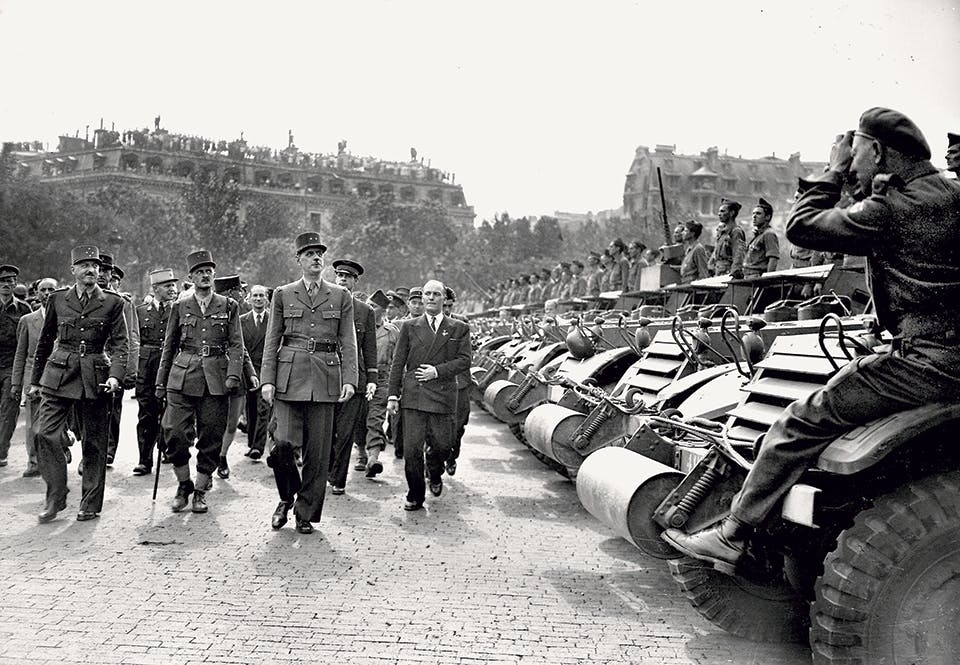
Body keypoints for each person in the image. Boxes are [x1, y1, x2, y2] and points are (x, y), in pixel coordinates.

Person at [663, 107, 960, 573]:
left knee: (802, 419)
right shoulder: (948, 191)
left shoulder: (896, 208)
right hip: (942, 349)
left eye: (858, 150)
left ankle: (733, 532)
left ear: (879, 151)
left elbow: (802, 227)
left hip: (929, 360)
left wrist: (834, 171)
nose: (854, 161)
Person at [260, 232, 358, 534]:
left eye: (320, 254)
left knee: (318, 453)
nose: (316, 258)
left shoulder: (340, 296)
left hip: (326, 378)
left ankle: (305, 512)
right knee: (283, 447)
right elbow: (272, 339)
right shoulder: (283, 294)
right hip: (289, 379)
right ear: (299, 260)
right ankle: (285, 498)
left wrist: (350, 379)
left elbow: (348, 341)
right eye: (310, 254)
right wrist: (267, 380)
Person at [31, 246, 129, 522]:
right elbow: (45, 341)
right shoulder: (58, 299)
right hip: (59, 372)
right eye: (84, 265)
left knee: (95, 444)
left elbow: (122, 343)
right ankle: (56, 497)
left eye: (95, 266)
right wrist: (36, 381)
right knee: (44, 433)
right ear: (72, 270)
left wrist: (116, 375)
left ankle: (89, 503)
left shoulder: (112, 302)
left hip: (95, 375)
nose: (90, 270)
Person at [155, 250, 245, 514]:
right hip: (182, 376)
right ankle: (184, 484)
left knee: (211, 437)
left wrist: (233, 376)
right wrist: (161, 383)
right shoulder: (179, 307)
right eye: (200, 272)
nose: (205, 276)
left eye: (209, 271)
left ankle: (200, 490)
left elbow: (237, 345)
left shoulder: (228, 306)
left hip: (216, 379)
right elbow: (169, 347)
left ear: (214, 275)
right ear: (191, 277)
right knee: (174, 433)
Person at [387, 280, 471, 511]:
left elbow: (465, 360)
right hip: (414, 395)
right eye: (427, 294)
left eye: (436, 294)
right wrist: (393, 395)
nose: (431, 298)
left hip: (443, 395)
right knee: (412, 450)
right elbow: (398, 363)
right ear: (422, 299)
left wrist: (437, 371)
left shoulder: (458, 327)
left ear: (444, 299)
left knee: (443, 445)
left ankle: (435, 471)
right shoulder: (410, 326)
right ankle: (415, 494)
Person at [328, 258, 377, 495]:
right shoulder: (325, 303)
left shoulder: (365, 312)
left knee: (346, 432)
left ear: (355, 281)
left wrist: (372, 379)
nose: (343, 280)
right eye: (339, 275)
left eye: (347, 277)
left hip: (354, 379)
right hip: (325, 377)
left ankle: (338, 478)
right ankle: (326, 469)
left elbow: (369, 348)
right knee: (325, 430)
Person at [132, 268, 178, 476]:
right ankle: (144, 459)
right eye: (168, 286)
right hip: (147, 369)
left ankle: (168, 449)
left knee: (171, 412)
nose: (173, 289)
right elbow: (134, 341)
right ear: (156, 289)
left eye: (173, 285)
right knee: (146, 414)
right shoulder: (140, 311)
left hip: (171, 367)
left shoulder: (179, 310)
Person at [212, 274, 257, 479]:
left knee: (231, 423)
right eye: (240, 290)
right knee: (211, 422)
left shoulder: (239, 311)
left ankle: (221, 456)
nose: (243, 294)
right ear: (230, 292)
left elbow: (241, 347)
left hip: (236, 373)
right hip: (212, 373)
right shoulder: (210, 311)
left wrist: (250, 372)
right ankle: (209, 457)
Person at [11, 277, 57, 477]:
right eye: (43, 290)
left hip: (59, 376)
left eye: (51, 290)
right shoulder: (27, 321)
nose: (46, 294)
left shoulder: (64, 319)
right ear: (37, 294)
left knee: (57, 422)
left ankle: (60, 451)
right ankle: (34, 462)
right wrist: (16, 383)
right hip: (33, 378)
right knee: (33, 424)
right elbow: (20, 354)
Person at [98, 253, 139, 467]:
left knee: (112, 409)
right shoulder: (83, 298)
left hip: (115, 361)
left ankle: (107, 450)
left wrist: (129, 370)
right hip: (90, 361)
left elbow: (131, 336)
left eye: (106, 271)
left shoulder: (122, 302)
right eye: (100, 270)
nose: (102, 275)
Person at [1, 264, 36, 468]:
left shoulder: (24, 309)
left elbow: (28, 340)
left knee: (8, 409)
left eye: (10, 280)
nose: (6, 284)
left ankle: (1, 451)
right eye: (2, 281)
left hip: (11, 366)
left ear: (16, 283)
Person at [364, 289, 399, 478]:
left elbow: (398, 360)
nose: (369, 308)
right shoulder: (357, 327)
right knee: (357, 420)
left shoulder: (392, 331)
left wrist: (396, 388)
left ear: (383, 310)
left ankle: (373, 458)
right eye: (368, 304)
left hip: (382, 379)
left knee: (375, 418)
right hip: (360, 379)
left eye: (374, 306)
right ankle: (363, 453)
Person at [239, 285, 271, 461]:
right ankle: (252, 443)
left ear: (266, 299)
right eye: (255, 296)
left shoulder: (273, 320)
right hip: (248, 370)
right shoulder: (242, 320)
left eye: (261, 296)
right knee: (250, 408)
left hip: (266, 369)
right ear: (249, 299)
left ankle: (258, 446)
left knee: (263, 408)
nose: (258, 299)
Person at [443, 287, 471, 476]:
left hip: (460, 381)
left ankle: (452, 456)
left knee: (458, 425)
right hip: (437, 382)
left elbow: (467, 355)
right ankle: (433, 462)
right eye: (443, 305)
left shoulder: (462, 323)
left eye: (449, 306)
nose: (445, 309)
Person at [743, 197, 780, 278]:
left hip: (757, 277)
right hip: (748, 276)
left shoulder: (769, 234)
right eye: (753, 213)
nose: (754, 216)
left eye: (758, 213)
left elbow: (773, 259)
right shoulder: (758, 235)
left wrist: (767, 280)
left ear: (767, 217)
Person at [708, 199, 746, 278]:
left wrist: (733, 274)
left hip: (727, 273)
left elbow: (738, 256)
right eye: (719, 211)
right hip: (718, 273)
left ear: (732, 213)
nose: (719, 214)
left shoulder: (736, 231)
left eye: (722, 211)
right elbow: (715, 254)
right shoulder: (722, 232)